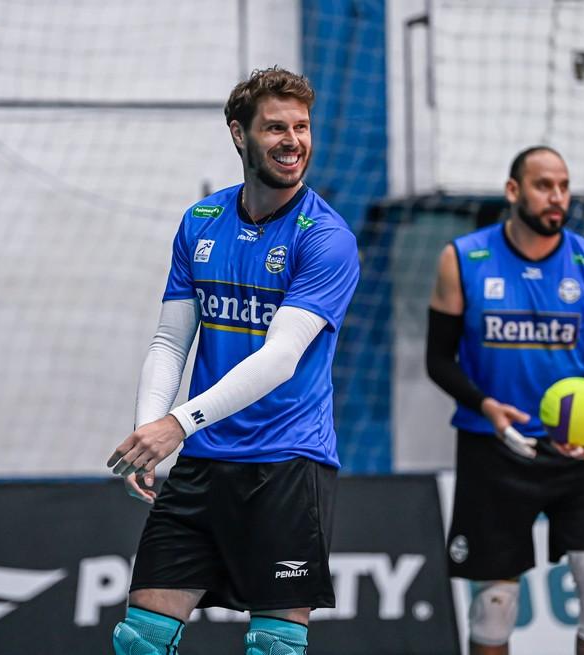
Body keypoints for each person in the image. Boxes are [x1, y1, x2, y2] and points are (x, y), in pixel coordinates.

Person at [105, 67, 359, 655]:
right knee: (139, 639)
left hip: (288, 466)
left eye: (301, 126)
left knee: (273, 647)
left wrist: (177, 424)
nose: (293, 140)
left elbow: (281, 358)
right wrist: (150, 427)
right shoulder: (201, 222)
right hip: (203, 464)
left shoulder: (325, 237)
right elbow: (171, 341)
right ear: (238, 134)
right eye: (275, 127)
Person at [426, 146, 584, 655]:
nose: (556, 197)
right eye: (543, 185)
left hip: (573, 458)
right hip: (492, 448)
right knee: (495, 602)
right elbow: (438, 361)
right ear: (513, 191)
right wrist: (484, 404)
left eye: (563, 185)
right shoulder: (463, 259)